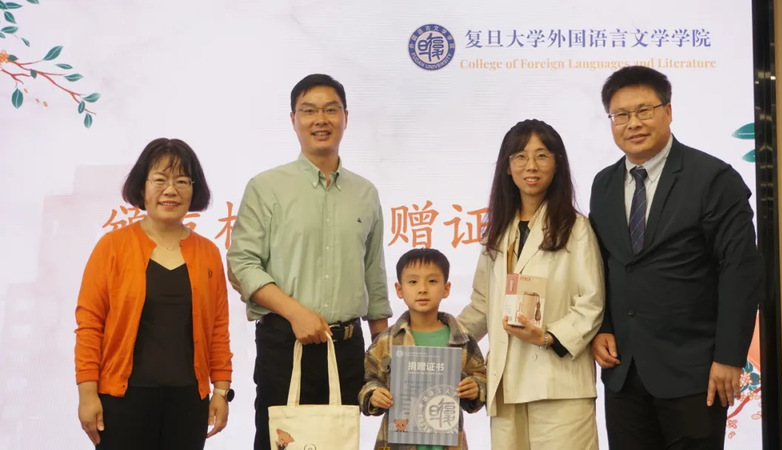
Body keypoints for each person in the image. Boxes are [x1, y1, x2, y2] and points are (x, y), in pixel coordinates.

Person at [589, 65, 764, 449]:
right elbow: (600, 264)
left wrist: (729, 357)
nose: (633, 123)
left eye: (644, 110)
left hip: (695, 371)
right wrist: (602, 326)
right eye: (621, 115)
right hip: (623, 372)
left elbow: (740, 270)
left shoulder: (712, 178)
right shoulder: (603, 184)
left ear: (668, 111)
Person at [226, 73, 392, 450]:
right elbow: (243, 263)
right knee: (280, 443)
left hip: (346, 349)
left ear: (345, 117)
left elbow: (373, 274)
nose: (321, 119)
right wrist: (295, 313)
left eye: (331, 110)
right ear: (293, 119)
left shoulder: (365, 192)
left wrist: (384, 352)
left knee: (338, 443)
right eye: (309, 110)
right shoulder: (267, 187)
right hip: (284, 345)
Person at [74, 138, 234, 449]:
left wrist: (220, 391)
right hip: (122, 401)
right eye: (160, 180)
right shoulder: (112, 246)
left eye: (182, 181)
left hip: (188, 402)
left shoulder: (208, 253)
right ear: (142, 186)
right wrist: (87, 394)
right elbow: (90, 325)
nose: (170, 190)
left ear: (194, 189)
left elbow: (218, 330)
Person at [458, 119, 605, 449]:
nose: (531, 166)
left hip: (558, 384)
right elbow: (482, 306)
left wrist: (548, 336)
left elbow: (591, 303)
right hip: (506, 382)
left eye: (542, 155)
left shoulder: (576, 227)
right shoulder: (497, 232)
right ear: (507, 167)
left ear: (557, 163)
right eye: (520, 156)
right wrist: (437, 339)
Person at [359, 248, 486, 450]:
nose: (423, 289)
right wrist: (374, 394)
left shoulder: (461, 339)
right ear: (399, 289)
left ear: (446, 288)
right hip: (398, 443)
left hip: (448, 442)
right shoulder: (387, 341)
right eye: (413, 282)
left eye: (432, 281)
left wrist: (476, 387)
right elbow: (369, 379)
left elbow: (481, 376)